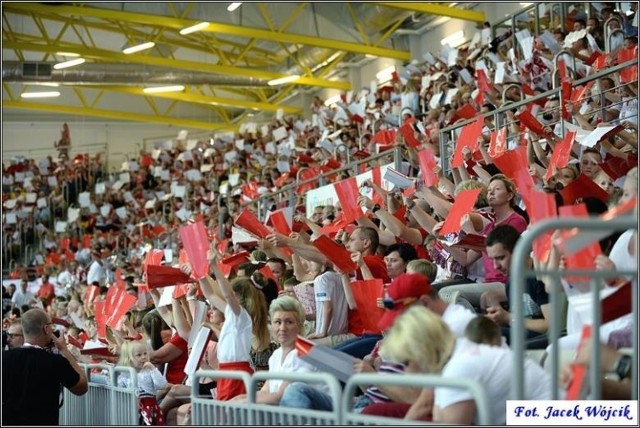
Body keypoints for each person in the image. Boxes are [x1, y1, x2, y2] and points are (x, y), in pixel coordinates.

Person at [381, 306, 551, 424]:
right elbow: (439, 418)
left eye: (405, 363)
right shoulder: (455, 357)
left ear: (420, 353)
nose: (405, 371)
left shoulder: (458, 369)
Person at [232, 296, 330, 405]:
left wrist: (240, 402)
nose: (282, 328)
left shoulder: (306, 352)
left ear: (300, 326)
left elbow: (279, 397)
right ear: (271, 326)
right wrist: (235, 400)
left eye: (289, 322)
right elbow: (265, 392)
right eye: (278, 322)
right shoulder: (276, 355)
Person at [2, 308, 88, 425]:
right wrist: (64, 350)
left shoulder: (4, 358)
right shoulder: (55, 362)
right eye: (51, 326)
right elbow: (82, 387)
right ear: (46, 329)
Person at [483, 225, 550, 347]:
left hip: (542, 340)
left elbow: (550, 325)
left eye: (500, 258)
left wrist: (508, 318)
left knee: (487, 334)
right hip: (522, 336)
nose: (495, 266)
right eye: (492, 259)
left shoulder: (540, 276)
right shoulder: (512, 279)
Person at [117, 339, 168, 425]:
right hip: (131, 411)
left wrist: (153, 369)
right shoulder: (125, 375)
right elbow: (120, 392)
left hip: (150, 410)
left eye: (145, 353)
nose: (143, 357)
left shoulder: (149, 372)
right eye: (139, 355)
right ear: (129, 359)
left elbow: (162, 385)